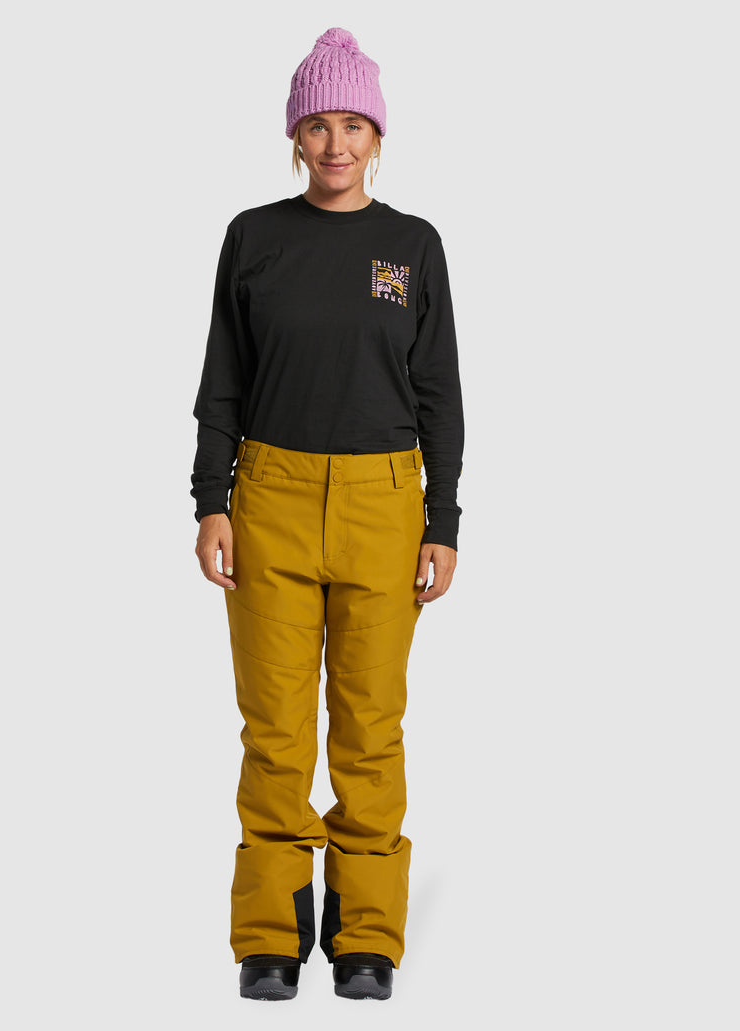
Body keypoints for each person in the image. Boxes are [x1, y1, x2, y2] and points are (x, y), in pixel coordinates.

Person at [191, 27, 464, 1001]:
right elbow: (223, 380)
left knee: (369, 726)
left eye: (353, 124)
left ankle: (365, 934)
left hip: (385, 504)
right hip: (268, 496)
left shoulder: (412, 245)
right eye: (317, 125)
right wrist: (211, 500)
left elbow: (439, 392)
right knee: (274, 728)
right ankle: (270, 933)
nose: (335, 143)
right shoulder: (253, 238)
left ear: (377, 136)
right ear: (294, 136)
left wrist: (442, 519)